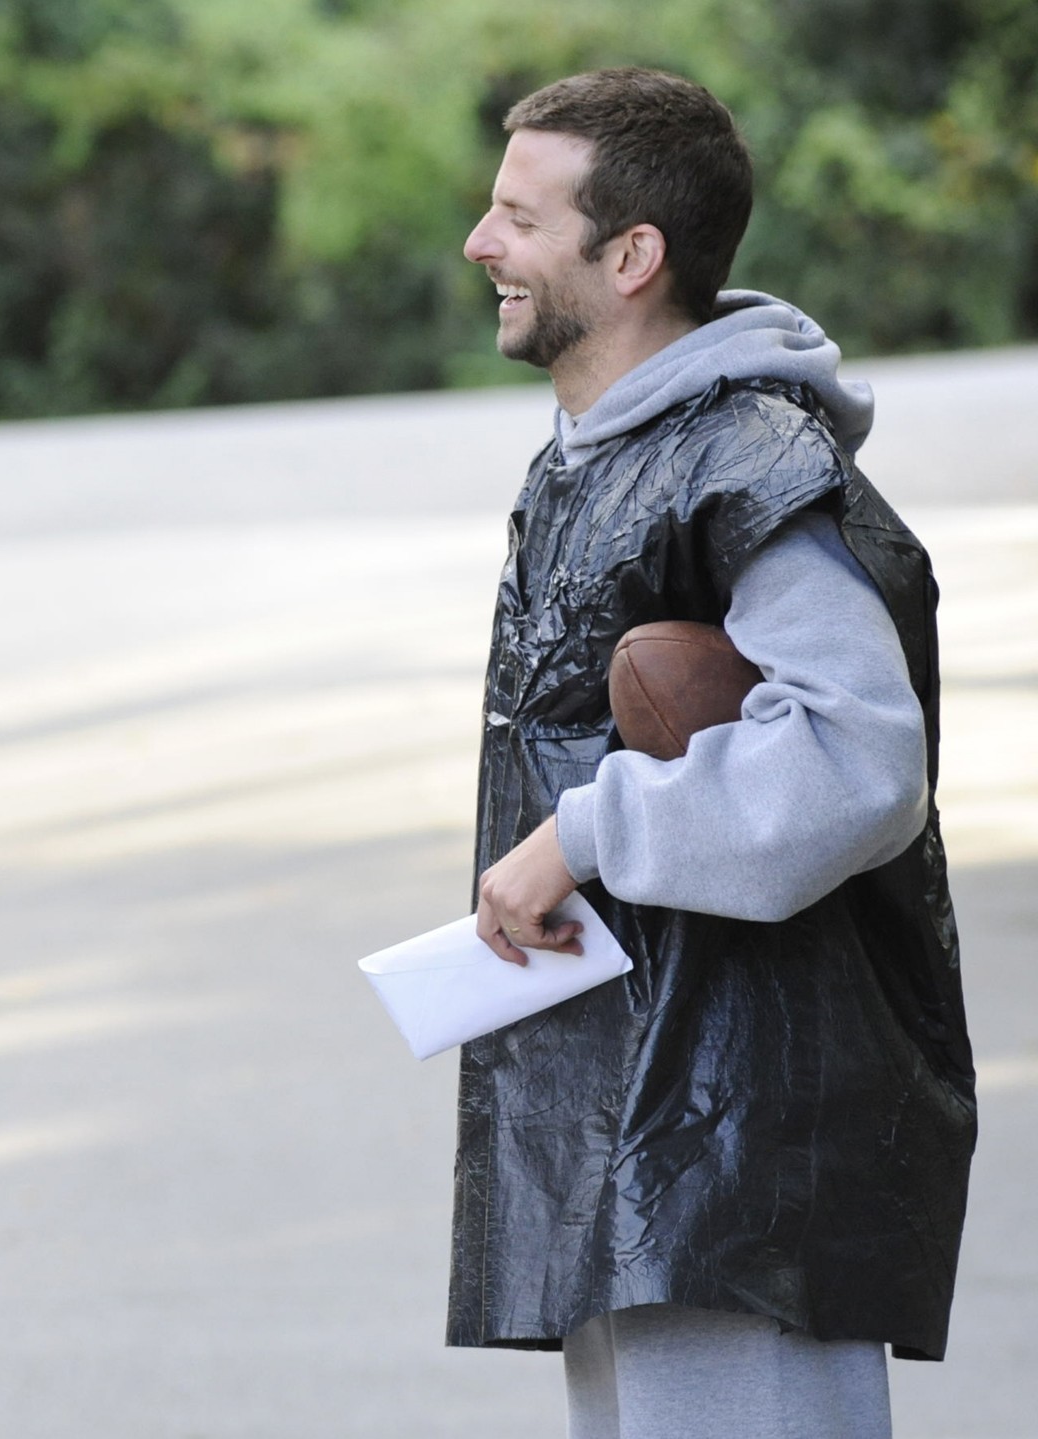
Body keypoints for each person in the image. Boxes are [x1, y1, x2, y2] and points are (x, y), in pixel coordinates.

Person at [450, 69, 976, 1439]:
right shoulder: (592, 453)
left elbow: (859, 757)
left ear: (630, 255)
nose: (479, 242)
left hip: (743, 1148)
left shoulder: (747, 456)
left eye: (519, 218)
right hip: (633, 1130)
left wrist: (585, 831)